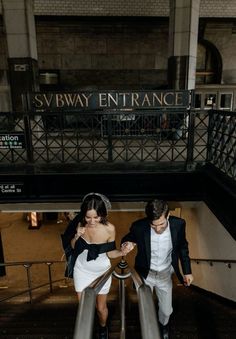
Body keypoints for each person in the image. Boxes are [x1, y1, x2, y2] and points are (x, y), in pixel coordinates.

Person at [121, 199, 193, 339]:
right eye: (154, 226)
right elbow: (128, 237)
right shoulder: (139, 226)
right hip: (145, 274)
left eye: (161, 224)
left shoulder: (179, 224)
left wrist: (187, 271)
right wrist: (126, 243)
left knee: (166, 311)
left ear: (167, 216)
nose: (158, 229)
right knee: (146, 308)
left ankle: (164, 326)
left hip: (165, 274)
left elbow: (183, 247)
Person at [61, 193, 130, 339]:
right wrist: (76, 236)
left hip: (102, 272)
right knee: (84, 308)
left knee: (100, 308)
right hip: (82, 270)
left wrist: (121, 252)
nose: (92, 221)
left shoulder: (110, 229)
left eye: (96, 217)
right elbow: (73, 247)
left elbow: (110, 253)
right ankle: (87, 331)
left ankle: (103, 328)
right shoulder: (79, 224)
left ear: (102, 214)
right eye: (88, 217)